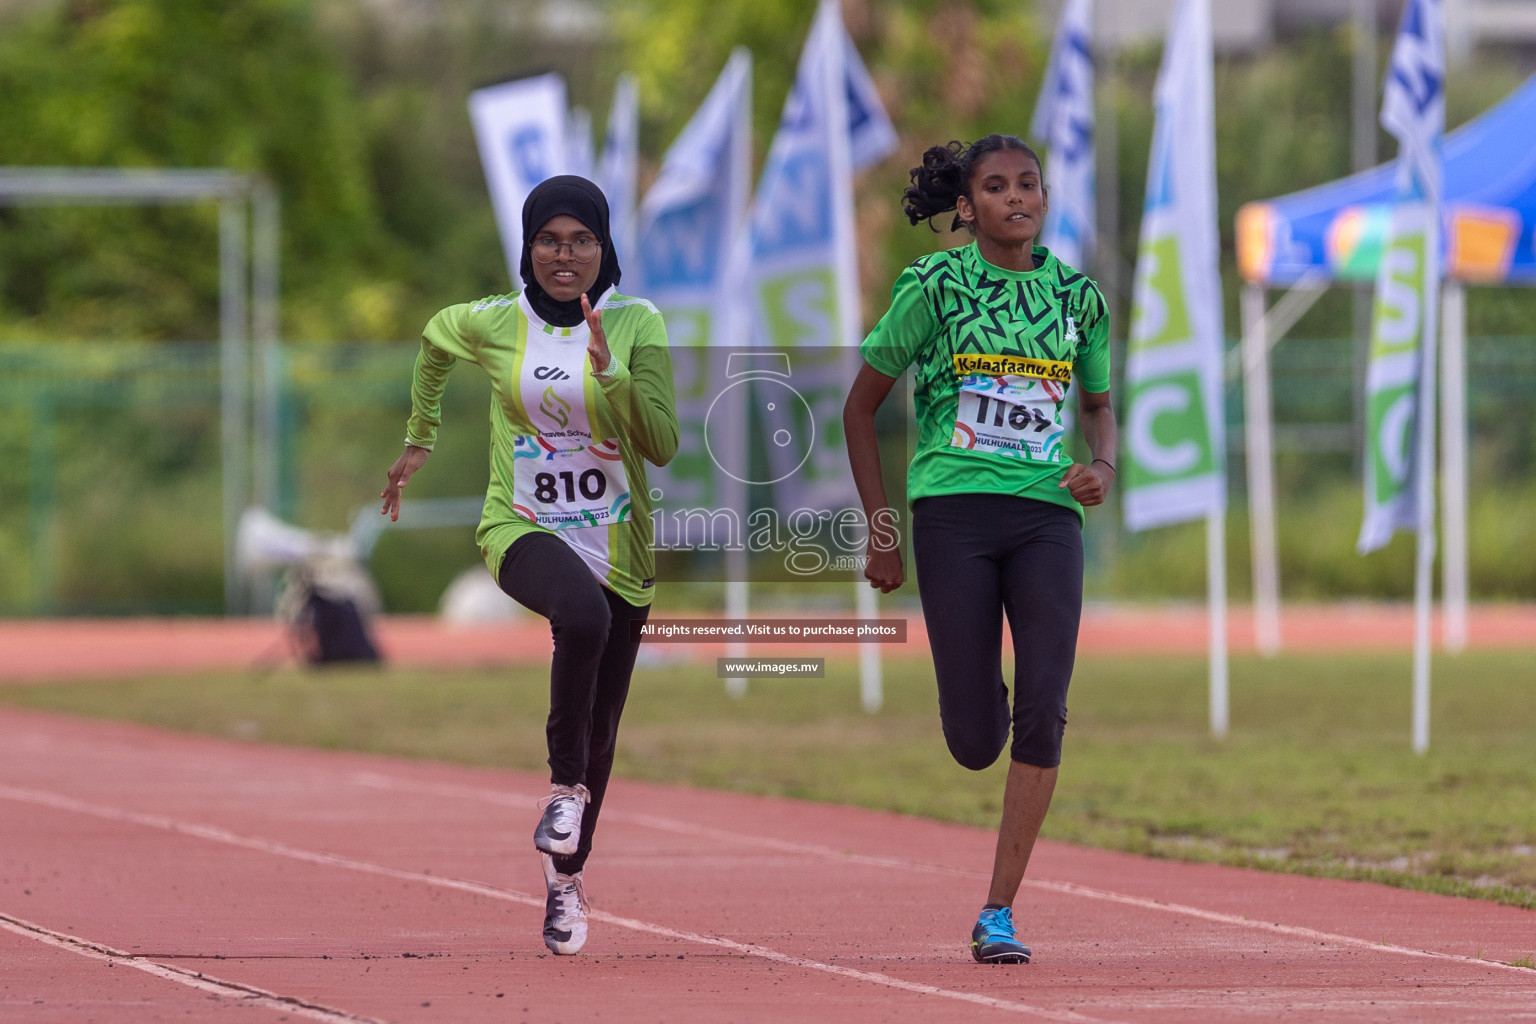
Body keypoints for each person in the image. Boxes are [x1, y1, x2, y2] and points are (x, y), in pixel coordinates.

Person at [380, 175, 678, 956]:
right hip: (519, 525)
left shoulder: (638, 323)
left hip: (620, 542)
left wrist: (610, 372)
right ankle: (560, 793)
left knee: (604, 728)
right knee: (578, 617)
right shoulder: (493, 322)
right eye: (550, 239)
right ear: (528, 246)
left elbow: (663, 444)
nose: (565, 254)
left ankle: (566, 882)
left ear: (604, 247)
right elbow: (433, 341)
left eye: (582, 240)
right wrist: (421, 435)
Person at [842, 135, 1117, 965]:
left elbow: (1100, 406)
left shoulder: (1078, 300)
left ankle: (998, 910)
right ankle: (976, 696)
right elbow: (860, 411)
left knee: (1046, 704)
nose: (1016, 197)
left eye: (1028, 183)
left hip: (1044, 519)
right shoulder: (933, 286)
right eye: (995, 187)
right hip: (953, 517)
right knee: (973, 741)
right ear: (967, 207)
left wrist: (1101, 463)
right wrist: (882, 530)